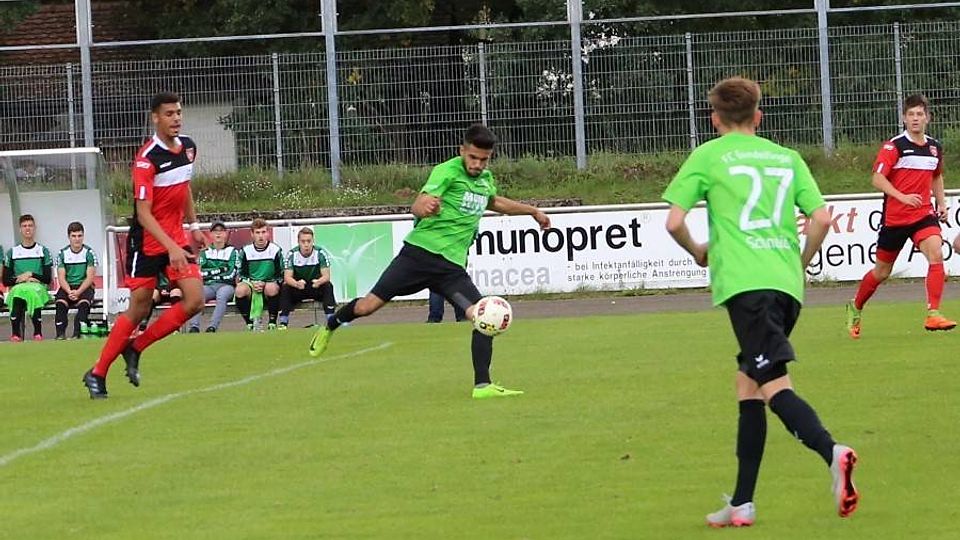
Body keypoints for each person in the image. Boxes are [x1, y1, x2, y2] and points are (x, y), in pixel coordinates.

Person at [662, 77, 859, 526]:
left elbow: (673, 222)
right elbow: (821, 218)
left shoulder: (708, 156)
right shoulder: (787, 158)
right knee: (747, 382)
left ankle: (832, 451)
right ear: (759, 116)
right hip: (785, 286)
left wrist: (698, 251)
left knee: (773, 384)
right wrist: (800, 263)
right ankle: (742, 503)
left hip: (746, 287)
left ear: (714, 119)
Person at [307, 124, 551, 399]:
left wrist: (533, 211)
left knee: (483, 316)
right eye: (473, 157)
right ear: (462, 151)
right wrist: (422, 207)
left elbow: (494, 202)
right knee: (367, 307)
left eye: (484, 159)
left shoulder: (485, 180)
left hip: (451, 269)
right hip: (418, 256)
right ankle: (330, 325)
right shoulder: (446, 171)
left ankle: (483, 386)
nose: (477, 164)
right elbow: (420, 202)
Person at [83, 91, 205, 399]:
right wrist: (171, 247)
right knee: (139, 308)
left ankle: (136, 347)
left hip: (176, 239)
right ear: (155, 118)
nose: (176, 118)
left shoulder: (188, 147)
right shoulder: (146, 159)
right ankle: (98, 372)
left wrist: (194, 226)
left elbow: (184, 187)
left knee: (195, 300)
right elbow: (143, 213)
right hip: (147, 242)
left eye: (178, 112)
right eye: (169, 114)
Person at [846, 93, 955, 338]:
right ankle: (856, 306)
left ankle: (933, 314)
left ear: (927, 118)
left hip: (923, 215)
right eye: (911, 114)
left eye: (920, 114)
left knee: (936, 253)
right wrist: (902, 196)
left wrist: (941, 203)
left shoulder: (934, 148)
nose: (915, 118)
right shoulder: (894, 146)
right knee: (881, 272)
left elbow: (936, 176)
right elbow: (877, 179)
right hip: (895, 219)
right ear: (904, 118)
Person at [3, 214, 53, 342]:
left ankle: (37, 332)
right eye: (24, 226)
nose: (27, 228)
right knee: (18, 293)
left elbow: (47, 279)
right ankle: (16, 334)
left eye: (30, 225)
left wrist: (32, 274)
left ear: (34, 228)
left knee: (32, 292)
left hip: (38, 288)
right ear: (20, 229)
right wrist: (22, 278)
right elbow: (6, 281)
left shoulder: (43, 251)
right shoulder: (12, 252)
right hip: (19, 288)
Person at [278, 227, 336, 329]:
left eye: (309, 241)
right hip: (299, 287)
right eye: (303, 241)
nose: (306, 244)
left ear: (313, 241)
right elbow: (287, 277)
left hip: (315, 286)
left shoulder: (320, 253)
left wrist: (319, 282)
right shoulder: (292, 254)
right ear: (298, 242)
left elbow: (327, 276)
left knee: (328, 286)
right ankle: (283, 322)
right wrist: (296, 284)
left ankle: (331, 320)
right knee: (285, 287)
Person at [188, 221, 239, 333]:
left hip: (226, 285)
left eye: (221, 231)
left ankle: (212, 327)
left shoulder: (233, 251)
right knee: (198, 295)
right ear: (210, 234)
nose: (218, 233)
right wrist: (221, 270)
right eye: (215, 231)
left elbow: (231, 273)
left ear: (226, 233)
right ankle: (194, 327)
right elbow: (200, 273)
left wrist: (210, 273)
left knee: (222, 295)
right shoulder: (205, 252)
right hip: (208, 285)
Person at [236, 218, 283, 331]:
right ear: (252, 234)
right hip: (251, 284)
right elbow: (240, 274)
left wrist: (265, 283)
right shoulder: (246, 251)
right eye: (257, 233)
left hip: (269, 284)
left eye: (263, 232)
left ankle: (272, 322)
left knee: (271, 288)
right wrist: (253, 283)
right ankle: (250, 323)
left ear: (268, 233)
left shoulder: (275, 250)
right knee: (240, 290)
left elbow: (281, 274)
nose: (261, 236)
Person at [54, 221, 98, 340]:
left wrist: (78, 292)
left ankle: (77, 335)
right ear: (69, 237)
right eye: (74, 236)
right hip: (67, 287)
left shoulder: (89, 253)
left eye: (79, 236)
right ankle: (60, 335)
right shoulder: (62, 253)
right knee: (60, 304)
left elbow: (90, 277)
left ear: (83, 236)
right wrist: (69, 291)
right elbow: (61, 277)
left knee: (84, 305)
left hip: (84, 287)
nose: (77, 239)